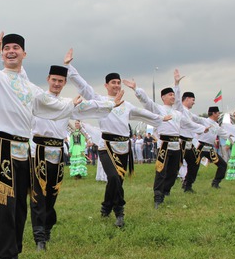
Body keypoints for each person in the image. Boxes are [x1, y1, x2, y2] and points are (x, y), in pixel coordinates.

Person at [0, 0, 111, 259]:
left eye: (16, 48)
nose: (11, 51)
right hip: (1, 147)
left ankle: (14, 254)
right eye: (7, 48)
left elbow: (59, 107)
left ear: (24, 53)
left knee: (21, 206)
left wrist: (103, 107)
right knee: (6, 204)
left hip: (24, 150)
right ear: (2, 53)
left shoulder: (30, 89)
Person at [30, 61, 118, 250]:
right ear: (48, 80)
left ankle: (47, 229)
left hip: (58, 151)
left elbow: (90, 107)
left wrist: (110, 103)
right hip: (39, 151)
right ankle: (39, 238)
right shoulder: (38, 100)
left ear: (64, 83)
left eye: (61, 81)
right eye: (54, 80)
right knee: (38, 194)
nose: (57, 84)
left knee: (52, 193)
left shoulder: (67, 104)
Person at [67, 65, 167, 221]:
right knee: (113, 177)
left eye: (118, 82)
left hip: (124, 147)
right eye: (113, 82)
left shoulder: (127, 105)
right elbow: (84, 87)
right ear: (106, 85)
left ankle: (106, 206)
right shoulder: (99, 100)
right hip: (106, 146)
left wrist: (160, 119)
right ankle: (119, 211)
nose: (116, 85)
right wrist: (70, 68)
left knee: (117, 181)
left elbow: (142, 113)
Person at [126, 76, 195, 209]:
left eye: (174, 94)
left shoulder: (177, 113)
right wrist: (136, 89)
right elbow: (146, 102)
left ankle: (166, 190)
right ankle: (158, 196)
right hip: (164, 144)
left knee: (174, 171)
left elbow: (189, 122)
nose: (173, 96)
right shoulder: (158, 109)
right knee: (161, 170)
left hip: (176, 144)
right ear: (163, 97)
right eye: (170, 94)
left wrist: (176, 83)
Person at [190, 106, 229, 189]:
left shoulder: (217, 126)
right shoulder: (204, 121)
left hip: (210, 149)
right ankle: (187, 185)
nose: (219, 115)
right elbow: (195, 118)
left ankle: (216, 183)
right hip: (200, 147)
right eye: (218, 113)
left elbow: (224, 134)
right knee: (194, 166)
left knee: (222, 165)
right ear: (214, 113)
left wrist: (233, 135)